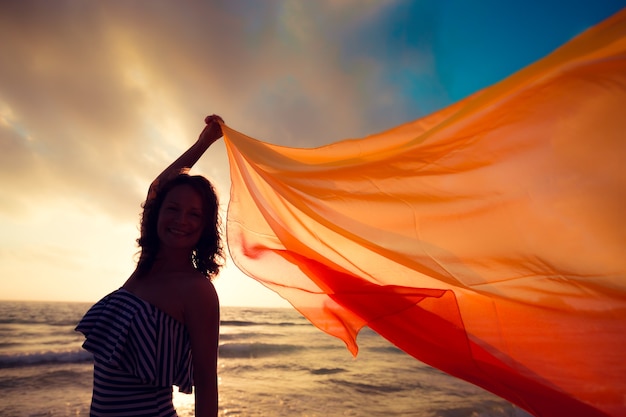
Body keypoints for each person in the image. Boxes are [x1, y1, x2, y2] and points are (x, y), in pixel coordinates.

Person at [76, 115, 225, 417]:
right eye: (173, 209)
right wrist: (203, 143)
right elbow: (158, 187)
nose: (181, 220)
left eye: (194, 214)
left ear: (204, 226)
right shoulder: (147, 266)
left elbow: (206, 382)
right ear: (158, 214)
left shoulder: (197, 291)